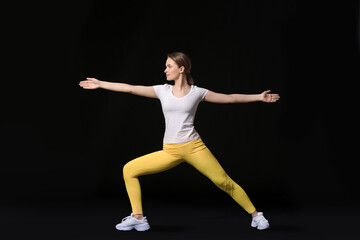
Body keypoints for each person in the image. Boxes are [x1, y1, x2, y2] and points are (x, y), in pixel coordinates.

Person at [79, 52, 280, 232]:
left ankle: (256, 216)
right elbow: (130, 88)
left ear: (181, 69)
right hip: (170, 151)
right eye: (166, 66)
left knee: (223, 181)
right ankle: (138, 218)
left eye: (169, 66)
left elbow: (229, 99)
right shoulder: (162, 90)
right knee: (129, 169)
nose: (165, 70)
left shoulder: (197, 92)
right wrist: (101, 84)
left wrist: (258, 97)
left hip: (194, 147)